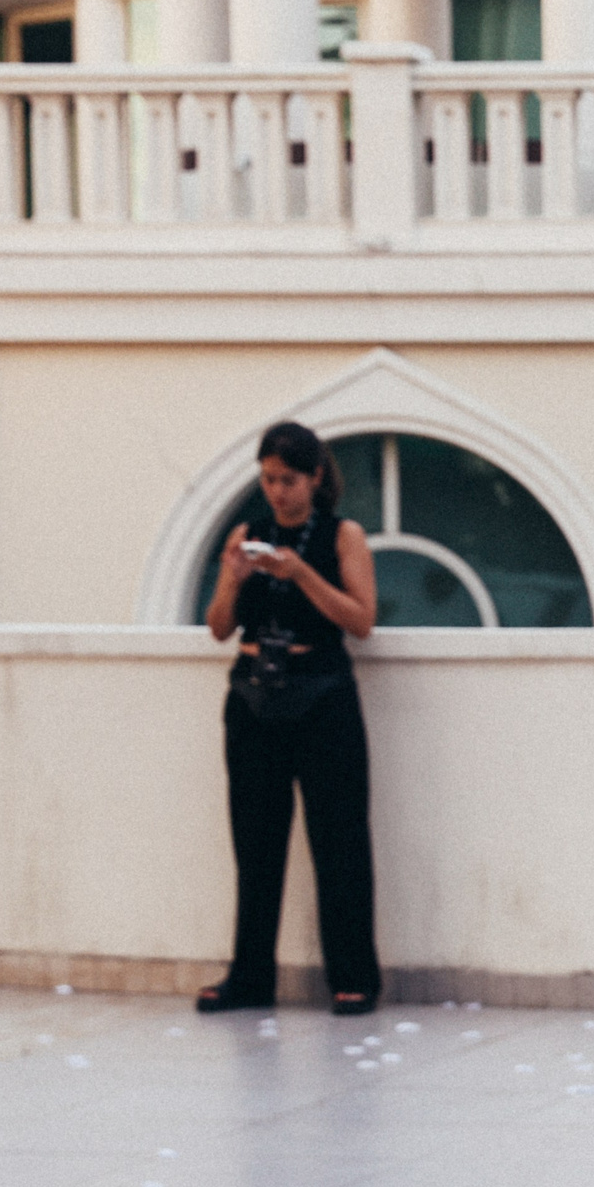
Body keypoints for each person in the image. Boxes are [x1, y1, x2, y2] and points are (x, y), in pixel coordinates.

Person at [195, 420, 385, 1019]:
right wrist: (234, 576)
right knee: (255, 843)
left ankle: (353, 978)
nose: (278, 492)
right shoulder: (249, 535)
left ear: (315, 477)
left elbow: (360, 620)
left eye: (289, 480)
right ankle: (250, 975)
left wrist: (299, 573)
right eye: (269, 479)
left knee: (339, 840)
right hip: (253, 694)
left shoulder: (340, 535)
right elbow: (220, 626)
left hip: (322, 692)